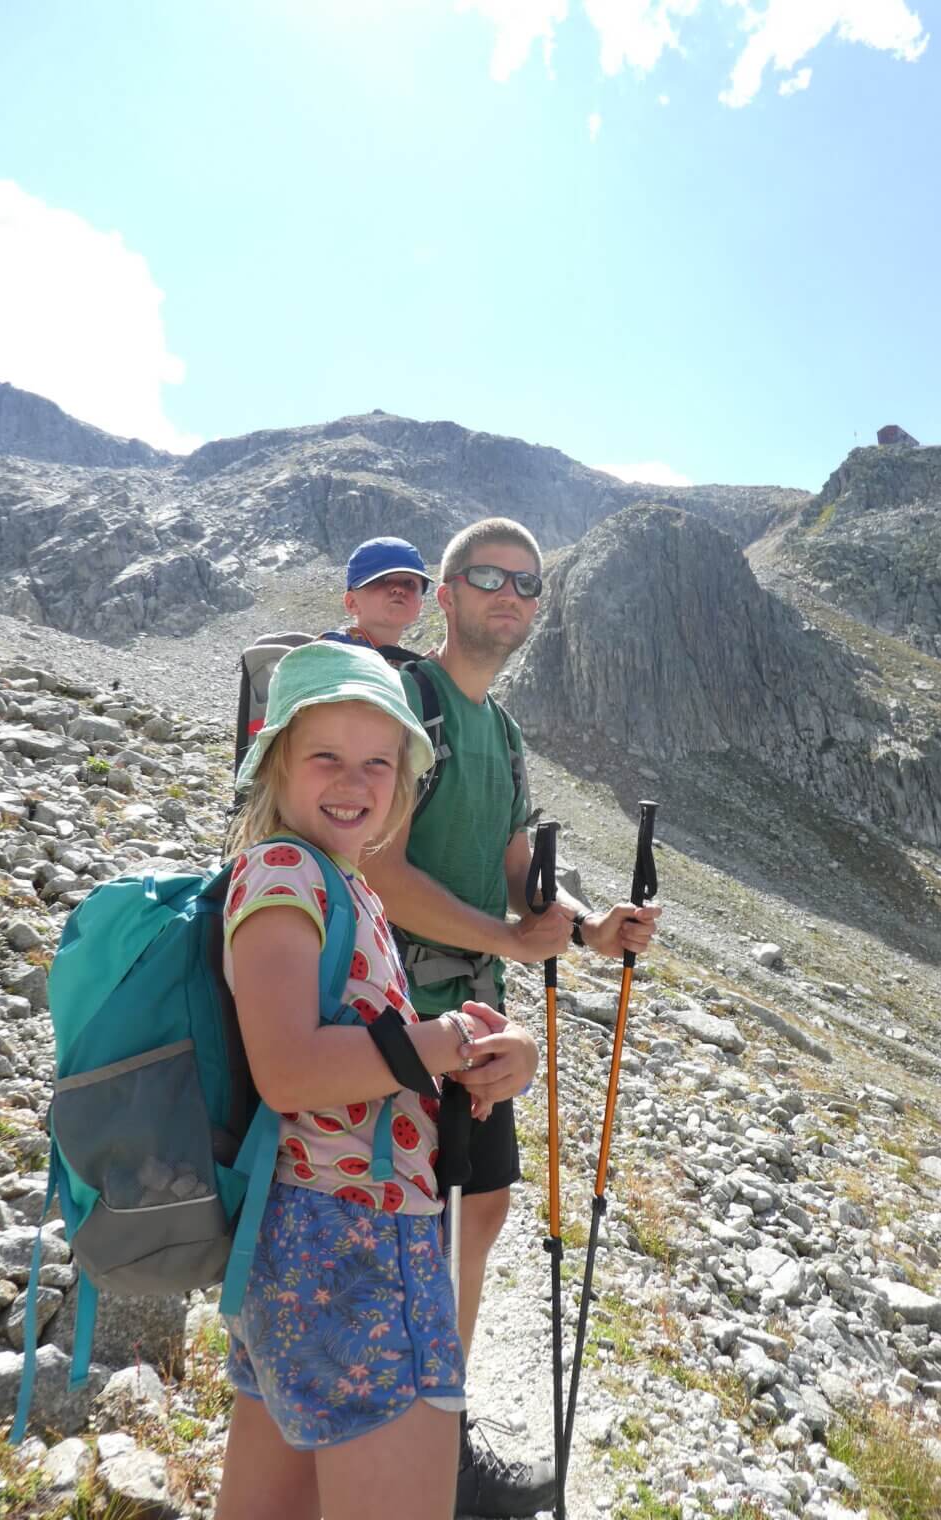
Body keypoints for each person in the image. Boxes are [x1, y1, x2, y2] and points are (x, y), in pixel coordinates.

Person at [365, 517, 662, 1518]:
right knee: (411, 1228)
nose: (510, 596)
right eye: (487, 577)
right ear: (444, 594)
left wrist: (585, 930)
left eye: (528, 585)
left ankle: (437, 1445)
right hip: (397, 1009)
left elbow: (510, 863)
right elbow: (379, 868)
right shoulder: (412, 704)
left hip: (478, 1018)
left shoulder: (503, 731)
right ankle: (394, 1451)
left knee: (477, 1214)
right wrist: (508, 932)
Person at [214, 639, 539, 1520]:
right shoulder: (285, 872)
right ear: (276, 760)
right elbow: (288, 1071)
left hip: (300, 1246)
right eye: (325, 756)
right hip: (353, 1248)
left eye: (380, 763)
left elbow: (363, 1053)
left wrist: (483, 1053)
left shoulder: (340, 882)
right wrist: (435, 1045)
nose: (354, 782)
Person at [321, 535, 431, 652]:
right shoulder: (330, 652)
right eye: (383, 580)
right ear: (352, 603)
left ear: (420, 606)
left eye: (409, 583)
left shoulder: (405, 664)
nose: (399, 589)